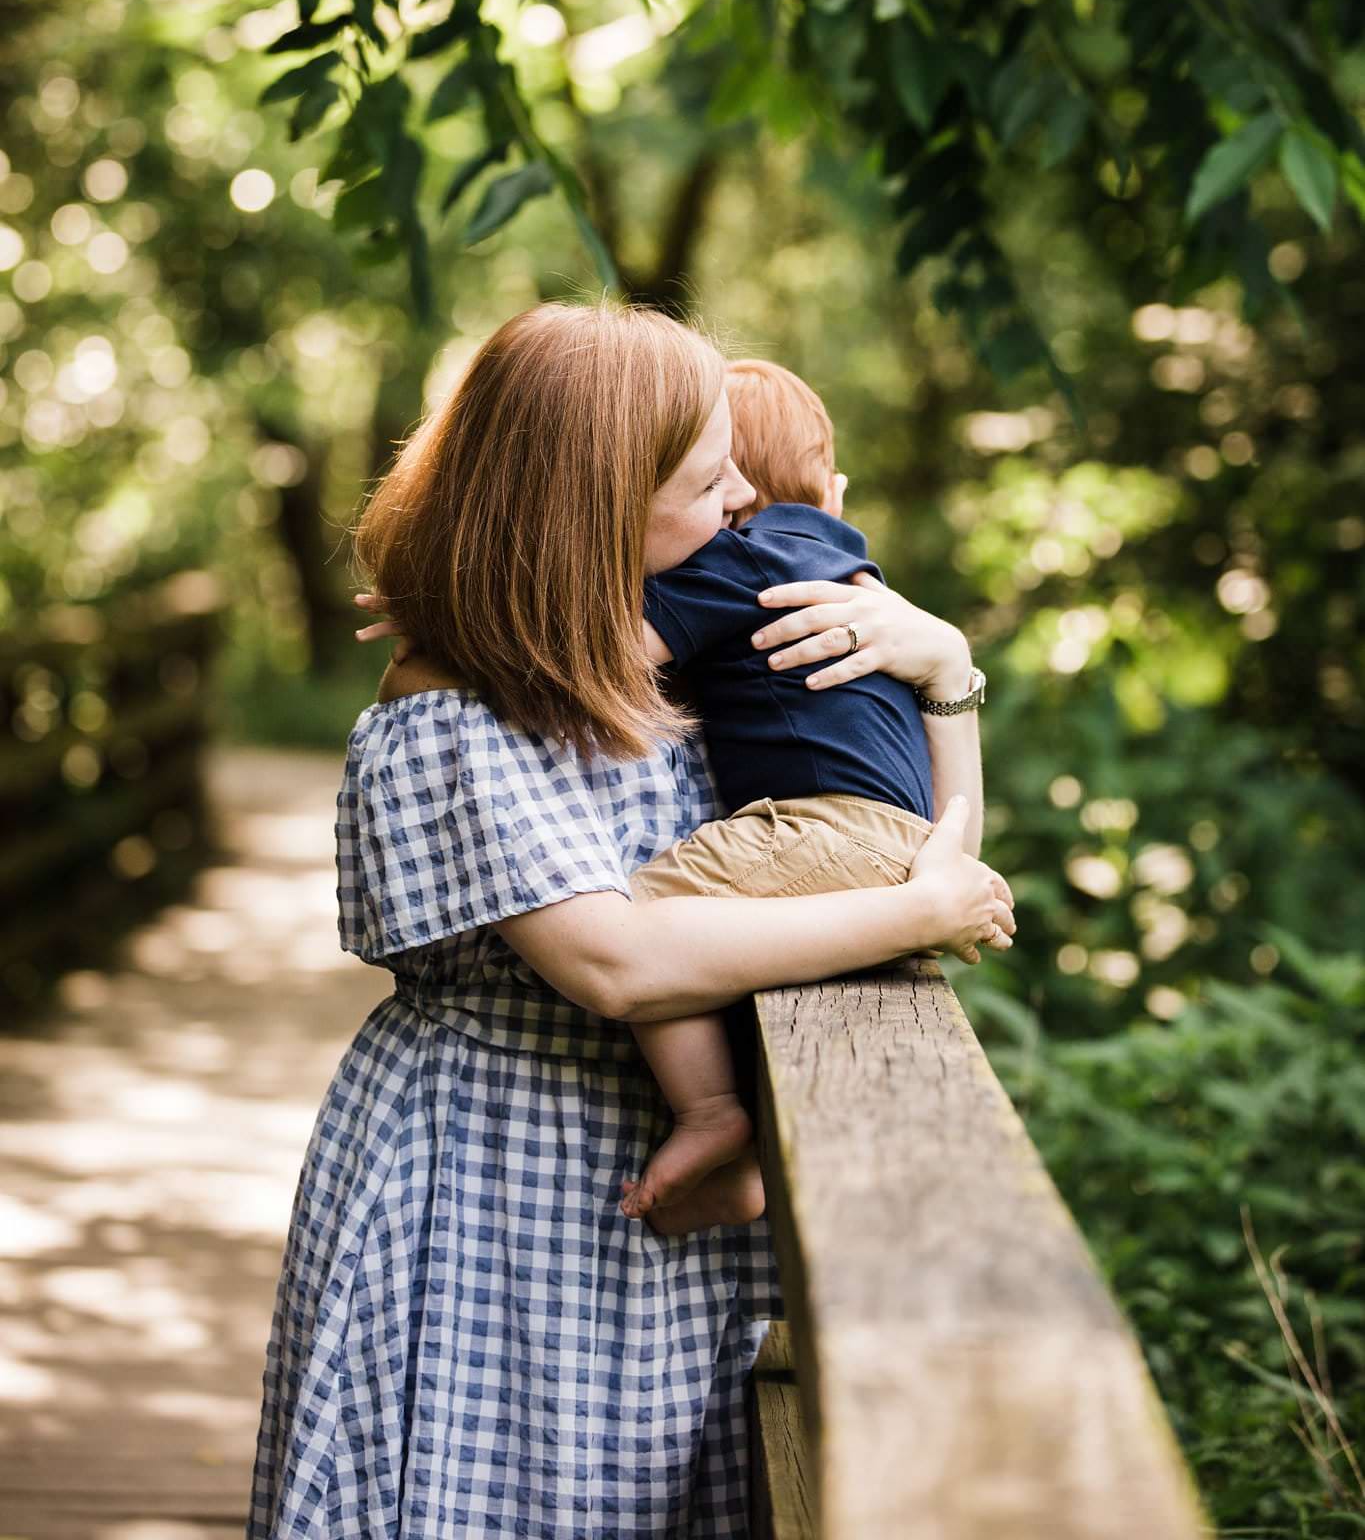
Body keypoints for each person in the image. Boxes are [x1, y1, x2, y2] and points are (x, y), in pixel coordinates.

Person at [251, 300, 1012, 1540]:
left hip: (664, 1203)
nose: (739, 507)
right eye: (710, 481)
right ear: (594, 496)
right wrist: (908, 912)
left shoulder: (667, 656)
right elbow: (617, 959)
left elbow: (884, 827)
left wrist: (942, 668)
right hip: (502, 1190)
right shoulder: (451, 706)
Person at [617, 357, 1000, 1230]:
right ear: (833, 490)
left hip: (824, 831)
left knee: (648, 908)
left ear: (726, 491)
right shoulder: (856, 574)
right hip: (904, 839)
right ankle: (752, 1163)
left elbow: (608, 655)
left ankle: (715, 1116)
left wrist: (464, 615)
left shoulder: (737, 554)